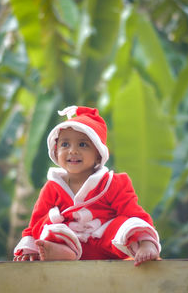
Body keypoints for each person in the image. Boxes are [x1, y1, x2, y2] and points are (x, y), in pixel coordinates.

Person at [13, 105, 161, 266]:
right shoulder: (52, 187)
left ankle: (145, 245)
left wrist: (145, 240)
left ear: (98, 154)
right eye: (65, 144)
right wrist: (29, 248)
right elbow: (34, 223)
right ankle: (59, 252)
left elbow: (133, 213)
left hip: (106, 243)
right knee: (47, 225)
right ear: (55, 152)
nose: (72, 151)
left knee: (126, 221)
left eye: (82, 145)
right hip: (67, 241)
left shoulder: (112, 183)